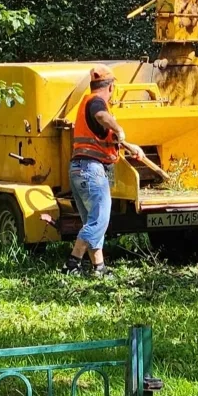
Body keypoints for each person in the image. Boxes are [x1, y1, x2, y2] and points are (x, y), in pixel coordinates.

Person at [62, 64, 145, 277]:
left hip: (79, 169)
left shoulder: (85, 105)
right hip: (91, 169)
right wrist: (119, 128)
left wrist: (129, 145)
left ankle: (99, 268)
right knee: (99, 221)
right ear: (111, 87)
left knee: (92, 222)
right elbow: (101, 116)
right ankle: (72, 264)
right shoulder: (97, 103)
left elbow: (102, 134)